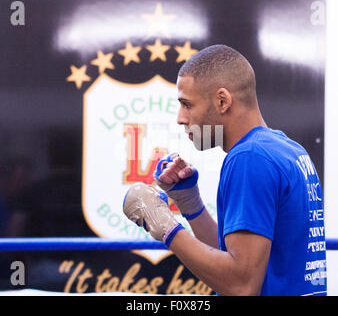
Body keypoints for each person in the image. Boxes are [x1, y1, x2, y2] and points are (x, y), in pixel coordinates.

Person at [123, 45, 327, 296]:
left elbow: (241, 286)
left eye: (187, 104)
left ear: (222, 101)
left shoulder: (250, 158)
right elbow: (235, 258)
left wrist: (164, 226)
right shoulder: (287, 149)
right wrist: (190, 203)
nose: (180, 118)